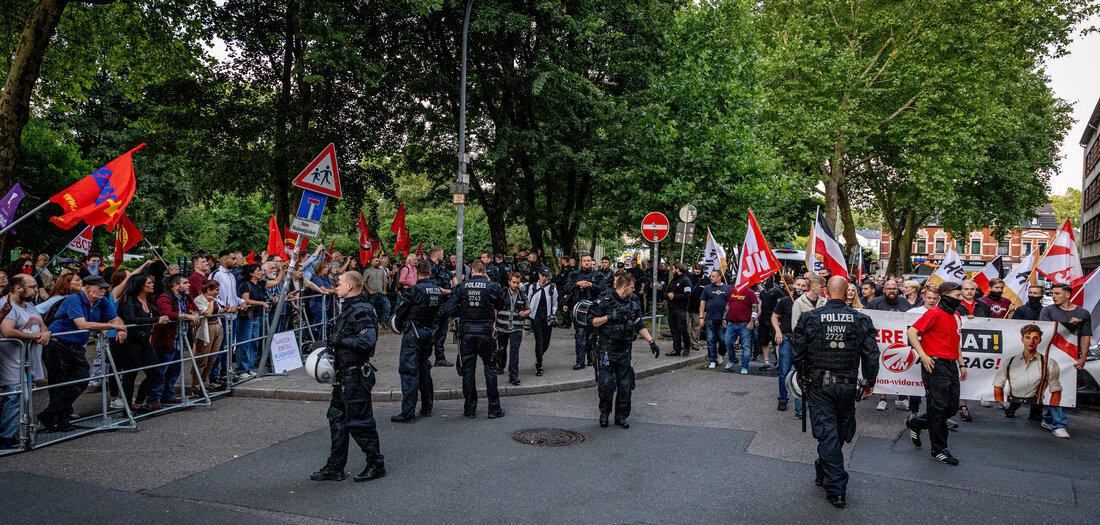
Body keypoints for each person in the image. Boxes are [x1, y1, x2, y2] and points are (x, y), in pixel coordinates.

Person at [792, 276, 878, 508]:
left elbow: (797, 353)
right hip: (847, 384)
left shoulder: (810, 318)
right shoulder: (860, 319)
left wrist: (801, 378)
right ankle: (835, 485)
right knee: (836, 432)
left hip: (821, 384)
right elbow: (871, 353)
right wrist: (870, 381)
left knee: (832, 433)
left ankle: (829, 474)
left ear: (826, 291)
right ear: (845, 291)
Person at [311, 271, 386, 482]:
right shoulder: (350, 309)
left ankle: (376, 464)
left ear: (350, 287)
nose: (337, 286)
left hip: (356, 377)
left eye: (340, 283)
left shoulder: (361, 310)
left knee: (360, 423)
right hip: (344, 376)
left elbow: (367, 342)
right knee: (337, 418)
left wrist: (339, 342)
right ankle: (335, 467)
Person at [37, 276, 127, 431]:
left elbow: (115, 318)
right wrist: (114, 327)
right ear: (87, 288)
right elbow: (82, 324)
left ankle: (50, 414)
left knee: (82, 378)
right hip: (58, 344)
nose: (103, 291)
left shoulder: (101, 301)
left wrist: (120, 327)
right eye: (100, 288)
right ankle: (60, 419)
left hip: (77, 345)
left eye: (104, 288)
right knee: (59, 381)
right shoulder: (74, 300)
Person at [905, 282, 967, 465]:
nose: (960, 299)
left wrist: (962, 364)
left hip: (950, 365)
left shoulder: (956, 315)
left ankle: (916, 423)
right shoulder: (933, 313)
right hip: (935, 364)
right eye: (957, 296)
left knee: (950, 407)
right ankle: (939, 449)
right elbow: (912, 332)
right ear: (946, 295)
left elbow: (955, 341)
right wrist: (923, 356)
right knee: (938, 408)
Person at [588, 273, 660, 429]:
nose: (634, 290)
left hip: (624, 351)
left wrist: (651, 342)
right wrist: (609, 316)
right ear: (625, 286)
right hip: (607, 350)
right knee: (606, 385)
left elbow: (639, 324)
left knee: (625, 386)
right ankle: (604, 414)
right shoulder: (604, 301)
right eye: (633, 287)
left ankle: (621, 417)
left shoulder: (632, 304)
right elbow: (592, 322)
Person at [441, 260, 507, 418]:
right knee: (490, 370)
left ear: (471, 270)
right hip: (486, 333)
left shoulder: (462, 287)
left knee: (468, 372)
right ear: (484, 271)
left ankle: (470, 409)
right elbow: (502, 303)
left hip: (467, 334)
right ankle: (494, 409)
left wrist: (462, 311)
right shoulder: (491, 286)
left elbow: (448, 309)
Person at [1, 274, 50, 448]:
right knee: (17, 397)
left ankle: (8, 433)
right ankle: (4, 436)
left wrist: (45, 332)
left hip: (26, 361)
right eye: (32, 286)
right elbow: (7, 331)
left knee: (16, 397)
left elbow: (41, 323)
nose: (36, 289)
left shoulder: (30, 305)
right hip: (11, 359)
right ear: (17, 288)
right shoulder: (6, 305)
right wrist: (31, 336)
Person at [993, 324, 1067, 437]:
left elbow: (1056, 390)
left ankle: (1038, 414)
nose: (1031, 341)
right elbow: (998, 385)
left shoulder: (1048, 363)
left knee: (1036, 415)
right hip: (1014, 397)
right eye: (1028, 337)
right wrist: (999, 401)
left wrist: (1053, 407)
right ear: (1022, 339)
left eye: (1035, 338)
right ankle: (1013, 407)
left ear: (1040, 340)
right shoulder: (1010, 361)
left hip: (1037, 399)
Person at [391, 260, 442, 423]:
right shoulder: (437, 290)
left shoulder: (414, 290)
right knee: (424, 369)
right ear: (430, 272)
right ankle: (427, 407)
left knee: (409, 372)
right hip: (428, 333)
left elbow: (400, 312)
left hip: (413, 333)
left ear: (417, 273)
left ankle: (408, 413)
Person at [1038, 283, 1091, 435]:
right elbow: (1045, 331)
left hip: (1071, 356)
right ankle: (1059, 424)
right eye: (1053, 293)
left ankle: (1048, 419)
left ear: (1067, 295)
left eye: (1057, 293)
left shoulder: (1083, 313)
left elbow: (1086, 336)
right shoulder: (1047, 310)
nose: (1053, 296)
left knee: (1064, 387)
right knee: (1057, 386)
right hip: (1051, 355)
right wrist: (1067, 325)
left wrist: (1083, 357)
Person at [115, 274, 170, 412]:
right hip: (131, 342)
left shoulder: (150, 300)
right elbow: (130, 319)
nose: (152, 285)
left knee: (155, 373)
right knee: (130, 375)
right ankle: (127, 409)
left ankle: (138, 403)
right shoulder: (130, 301)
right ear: (140, 285)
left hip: (145, 341)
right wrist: (155, 320)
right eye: (149, 283)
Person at [151, 275, 199, 404]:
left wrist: (194, 314)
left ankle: (168, 395)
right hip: (165, 340)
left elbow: (194, 308)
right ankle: (154, 398)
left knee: (174, 371)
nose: (189, 285)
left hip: (180, 340)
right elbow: (167, 314)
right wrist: (187, 316)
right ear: (175, 286)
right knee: (161, 371)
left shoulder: (187, 297)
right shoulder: (165, 297)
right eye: (185, 283)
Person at [866, 279, 911, 411]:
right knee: (882, 370)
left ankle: (902, 398)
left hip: (900, 342)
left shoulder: (904, 302)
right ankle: (882, 399)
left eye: (894, 288)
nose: (892, 291)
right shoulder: (875, 303)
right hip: (881, 342)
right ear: (884, 290)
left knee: (902, 370)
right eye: (889, 288)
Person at [563, 254, 606, 370]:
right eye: (584, 261)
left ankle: (591, 359)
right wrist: (577, 284)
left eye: (588, 261)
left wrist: (591, 285)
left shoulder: (598, 275)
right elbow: (566, 288)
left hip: (593, 309)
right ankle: (580, 361)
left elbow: (604, 289)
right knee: (580, 335)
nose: (587, 263)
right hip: (579, 309)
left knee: (592, 335)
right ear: (581, 262)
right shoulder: (574, 275)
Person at [495, 273, 530, 385]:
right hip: (502, 326)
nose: (516, 285)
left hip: (516, 328)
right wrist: (494, 322)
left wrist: (524, 313)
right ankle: (500, 366)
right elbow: (495, 308)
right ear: (509, 281)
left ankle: (513, 375)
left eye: (518, 282)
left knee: (514, 352)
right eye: (514, 282)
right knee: (501, 348)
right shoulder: (502, 294)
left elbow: (529, 309)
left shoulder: (523, 296)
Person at [190, 280, 222, 394]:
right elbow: (207, 313)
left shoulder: (214, 299)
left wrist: (225, 308)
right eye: (216, 290)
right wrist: (211, 302)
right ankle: (196, 386)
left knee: (212, 358)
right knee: (202, 358)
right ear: (209, 290)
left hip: (217, 327)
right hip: (206, 330)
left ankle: (203, 383)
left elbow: (218, 310)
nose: (218, 292)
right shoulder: (199, 300)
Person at [428, 246, 456, 367]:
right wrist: (450, 292)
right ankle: (425, 357)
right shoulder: (428, 267)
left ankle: (440, 358)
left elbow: (452, 276)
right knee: (432, 332)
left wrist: (454, 286)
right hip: (434, 304)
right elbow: (435, 288)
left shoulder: (442, 266)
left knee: (442, 333)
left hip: (444, 304)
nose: (443, 255)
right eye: (442, 253)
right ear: (437, 254)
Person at [526, 267, 557, 376]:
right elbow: (528, 300)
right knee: (539, 341)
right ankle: (539, 365)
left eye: (546, 276)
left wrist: (553, 313)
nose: (544, 278)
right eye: (543, 275)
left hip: (547, 317)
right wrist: (528, 314)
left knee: (546, 342)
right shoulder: (533, 287)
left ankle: (539, 357)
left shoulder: (552, 288)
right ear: (539, 275)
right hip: (536, 317)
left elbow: (554, 302)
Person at [724, 282, 759, 374]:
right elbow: (728, 306)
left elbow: (755, 307)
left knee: (746, 346)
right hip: (731, 323)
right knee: (727, 341)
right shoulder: (732, 291)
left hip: (745, 324)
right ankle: (733, 359)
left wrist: (752, 321)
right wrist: (724, 318)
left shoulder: (750, 292)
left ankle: (744, 366)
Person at [699, 270, 731, 369]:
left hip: (723, 319)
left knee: (723, 339)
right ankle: (712, 360)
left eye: (713, 276)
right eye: (711, 276)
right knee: (710, 339)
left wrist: (726, 317)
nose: (711, 278)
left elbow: (730, 303)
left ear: (719, 277)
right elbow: (702, 302)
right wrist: (701, 317)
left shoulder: (728, 288)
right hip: (710, 318)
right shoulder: (707, 288)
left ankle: (721, 354)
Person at [664, 262, 692, 357]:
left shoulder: (686, 280)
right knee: (674, 330)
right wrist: (668, 295)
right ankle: (676, 349)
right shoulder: (673, 281)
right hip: (671, 308)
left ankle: (687, 347)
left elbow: (687, 295)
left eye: (673, 269)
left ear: (678, 269)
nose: (672, 271)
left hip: (681, 309)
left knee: (682, 329)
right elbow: (666, 291)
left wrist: (674, 296)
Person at [364, 257, 391, 329]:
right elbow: (364, 282)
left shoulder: (381, 270)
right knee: (372, 309)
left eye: (378, 261)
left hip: (381, 293)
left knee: (387, 306)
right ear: (371, 262)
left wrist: (384, 290)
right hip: (371, 294)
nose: (378, 262)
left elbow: (384, 280)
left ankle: (382, 322)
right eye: (376, 261)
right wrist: (369, 290)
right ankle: (373, 323)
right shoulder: (367, 271)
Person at [687, 264, 706, 351]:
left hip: (699, 309)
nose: (696, 273)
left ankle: (694, 343)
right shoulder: (689, 277)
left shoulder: (706, 280)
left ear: (702, 270)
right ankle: (685, 342)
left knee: (697, 327)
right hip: (687, 307)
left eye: (698, 272)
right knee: (684, 325)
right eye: (695, 272)